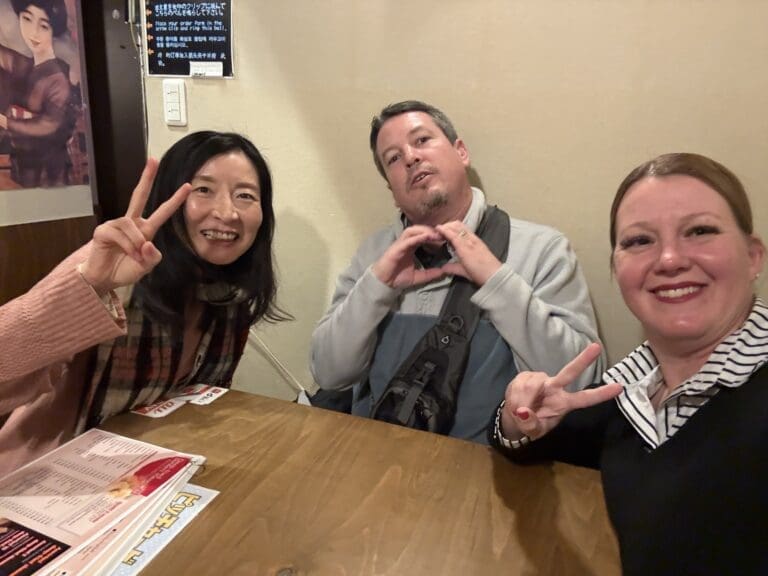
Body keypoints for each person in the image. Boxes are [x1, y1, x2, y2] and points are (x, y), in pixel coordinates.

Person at [490, 153, 767, 575]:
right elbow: (527, 443)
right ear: (616, 268)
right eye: (639, 241)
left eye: (700, 231)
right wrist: (518, 418)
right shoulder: (630, 387)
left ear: (753, 257)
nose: (670, 259)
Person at [310, 100, 602, 443]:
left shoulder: (542, 249)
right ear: (392, 191)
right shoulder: (374, 255)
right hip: (375, 460)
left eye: (422, 141)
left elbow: (579, 381)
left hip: (489, 473)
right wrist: (376, 287)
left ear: (461, 152)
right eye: (393, 158)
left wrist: (497, 281)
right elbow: (329, 374)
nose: (410, 157)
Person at [0, 131, 288, 477]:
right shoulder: (110, 269)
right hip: (45, 480)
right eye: (202, 190)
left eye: (245, 195)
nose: (227, 213)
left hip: (141, 480)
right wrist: (89, 288)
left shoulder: (229, 295)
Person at [0, 0, 76, 187]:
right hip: (22, 160)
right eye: (26, 19)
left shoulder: (58, 77)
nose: (33, 32)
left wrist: (5, 121)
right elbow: (6, 58)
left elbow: (48, 124)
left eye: (43, 25)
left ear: (54, 29)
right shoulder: (26, 65)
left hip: (49, 168)